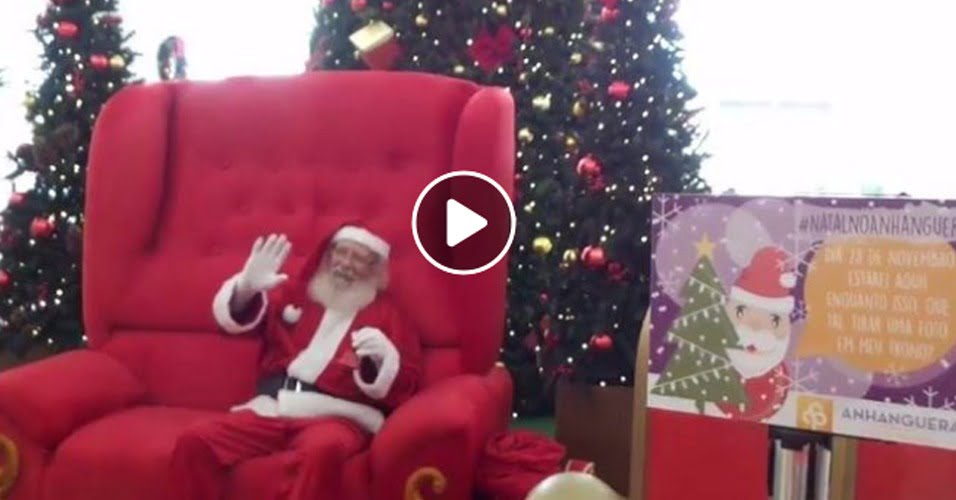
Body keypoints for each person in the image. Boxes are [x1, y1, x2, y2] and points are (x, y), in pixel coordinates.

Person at [169, 225, 421, 500]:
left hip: (335, 418)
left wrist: (383, 359)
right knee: (196, 440)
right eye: (341, 252)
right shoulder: (297, 293)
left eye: (358, 258)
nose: (346, 263)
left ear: (374, 268)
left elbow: (405, 384)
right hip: (271, 408)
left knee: (322, 450)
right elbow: (241, 324)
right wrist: (245, 289)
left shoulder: (389, 315)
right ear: (329, 255)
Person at [717, 246, 795, 421]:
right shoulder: (714, 366)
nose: (754, 329)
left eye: (774, 320)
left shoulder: (778, 379)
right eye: (741, 312)